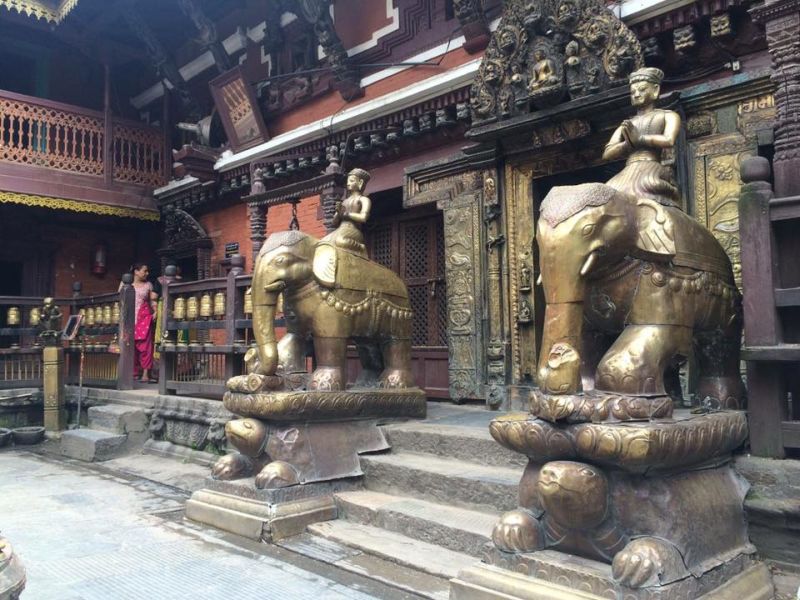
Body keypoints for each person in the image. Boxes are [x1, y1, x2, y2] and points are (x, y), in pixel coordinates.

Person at [602, 67, 681, 207]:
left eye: (642, 89)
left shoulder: (667, 116)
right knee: (607, 194)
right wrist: (627, 144)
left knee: (646, 187)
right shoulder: (627, 125)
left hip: (651, 166)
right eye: (633, 92)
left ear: (655, 90)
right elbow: (607, 153)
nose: (637, 94)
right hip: (628, 169)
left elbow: (669, 140)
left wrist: (641, 139)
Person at [122, 263, 158, 383]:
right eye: (144, 271)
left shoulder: (148, 285)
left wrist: (156, 311)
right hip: (129, 319)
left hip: (144, 318)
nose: (147, 273)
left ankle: (146, 374)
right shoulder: (125, 284)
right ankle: (133, 372)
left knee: (146, 346)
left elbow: (152, 300)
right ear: (136, 272)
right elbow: (119, 301)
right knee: (130, 346)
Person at [325, 168, 372, 256]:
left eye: (351, 181)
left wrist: (346, 214)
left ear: (360, 182)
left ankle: (360, 247)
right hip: (341, 229)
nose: (348, 183)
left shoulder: (364, 200)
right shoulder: (344, 202)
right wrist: (338, 213)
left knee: (340, 241)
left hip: (353, 230)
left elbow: (363, 218)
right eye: (348, 181)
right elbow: (334, 223)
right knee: (324, 243)